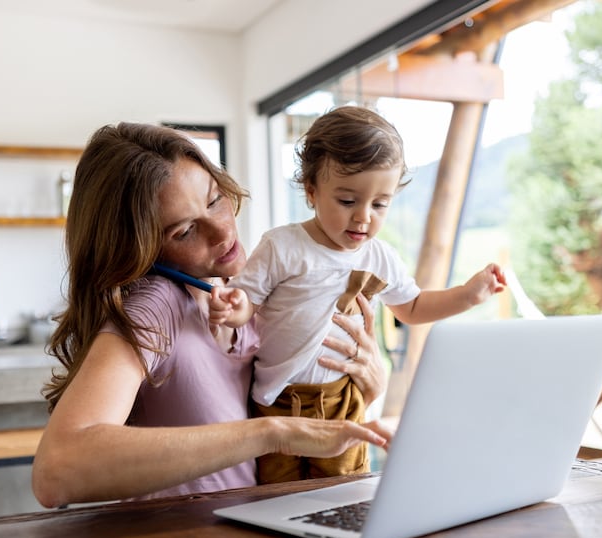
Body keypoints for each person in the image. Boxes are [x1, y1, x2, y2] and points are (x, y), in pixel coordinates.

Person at [31, 122, 393, 508]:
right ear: (140, 249)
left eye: (215, 199)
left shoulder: (242, 295)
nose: (223, 232)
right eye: (186, 230)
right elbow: (57, 470)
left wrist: (367, 388)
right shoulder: (156, 306)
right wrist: (272, 432)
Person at [209, 105, 506, 484]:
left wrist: (468, 294)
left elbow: (412, 307)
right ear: (312, 192)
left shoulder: (380, 256)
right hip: (277, 401)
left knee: (344, 486)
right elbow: (248, 299)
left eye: (380, 204)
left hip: (343, 400)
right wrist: (234, 309)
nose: (364, 216)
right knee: (274, 488)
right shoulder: (282, 246)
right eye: (348, 201)